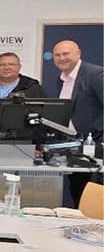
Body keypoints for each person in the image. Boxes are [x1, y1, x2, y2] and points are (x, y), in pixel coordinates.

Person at [49, 40, 103, 207]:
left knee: (93, 201)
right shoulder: (61, 79)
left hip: (96, 148)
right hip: (74, 147)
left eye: (66, 54)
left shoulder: (95, 74)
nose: (62, 58)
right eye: (57, 55)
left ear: (78, 54)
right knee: (78, 194)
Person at [0, 52, 44, 137]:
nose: (7, 68)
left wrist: (37, 146)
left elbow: (44, 120)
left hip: (25, 145)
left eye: (11, 64)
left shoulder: (34, 90)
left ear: (19, 67)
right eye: (2, 65)